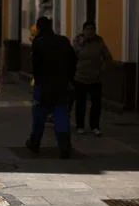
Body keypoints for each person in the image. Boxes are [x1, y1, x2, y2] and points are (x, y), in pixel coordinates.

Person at [25, 17, 77, 159]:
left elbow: (35, 66)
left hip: (44, 85)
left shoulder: (38, 43)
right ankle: (64, 146)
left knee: (39, 116)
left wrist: (38, 82)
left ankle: (35, 142)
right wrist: (68, 78)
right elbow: (73, 61)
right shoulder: (63, 41)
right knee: (61, 115)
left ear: (39, 28)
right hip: (61, 85)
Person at [73, 21, 112, 136]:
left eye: (92, 29)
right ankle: (80, 125)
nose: (90, 32)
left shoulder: (99, 42)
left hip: (95, 78)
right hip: (80, 77)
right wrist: (82, 44)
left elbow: (107, 57)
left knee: (96, 103)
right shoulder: (78, 40)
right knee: (81, 103)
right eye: (87, 29)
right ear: (83, 30)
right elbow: (73, 54)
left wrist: (102, 69)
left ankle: (95, 126)